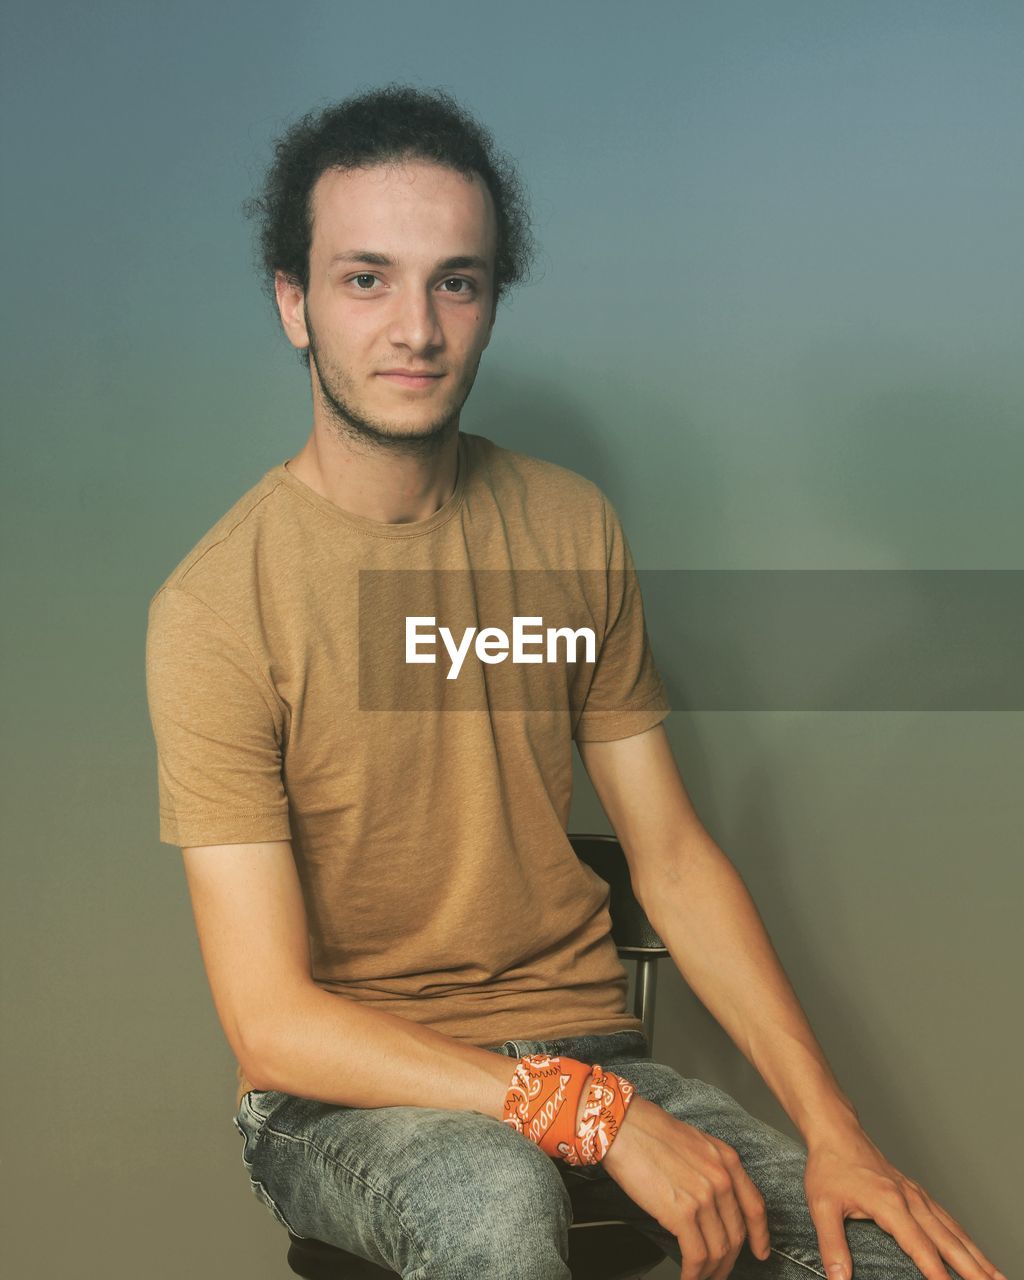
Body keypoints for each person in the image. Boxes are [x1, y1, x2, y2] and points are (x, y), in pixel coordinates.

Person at [144, 84, 1002, 1280]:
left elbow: (673, 856)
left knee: (900, 1257)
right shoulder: (214, 605)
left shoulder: (566, 525)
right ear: (293, 303)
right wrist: (574, 1113)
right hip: (341, 1101)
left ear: (492, 301)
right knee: (493, 1197)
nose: (416, 328)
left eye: (457, 279)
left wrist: (835, 1131)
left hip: (593, 1050)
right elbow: (270, 1020)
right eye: (364, 279)